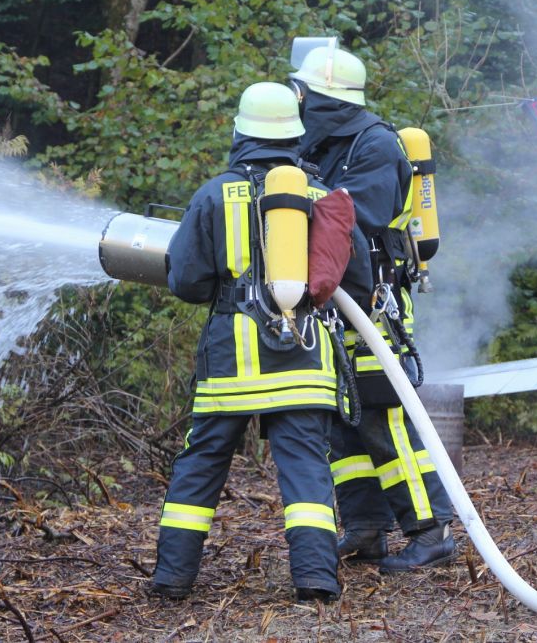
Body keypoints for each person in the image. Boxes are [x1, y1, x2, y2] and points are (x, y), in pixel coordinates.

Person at [150, 81, 371, 601]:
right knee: (307, 469)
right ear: (296, 135)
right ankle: (316, 578)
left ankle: (172, 579)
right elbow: (355, 279)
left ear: (240, 133)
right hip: (303, 359)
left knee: (201, 466)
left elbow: (186, 281)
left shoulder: (213, 195)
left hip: (232, 363)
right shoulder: (320, 195)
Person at [289, 42, 457, 573]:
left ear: (324, 98)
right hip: (330, 308)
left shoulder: (376, 146)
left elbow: (350, 221)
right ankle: (366, 529)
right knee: (344, 422)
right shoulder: (316, 145)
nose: (297, 102)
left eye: (303, 92)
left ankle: (431, 530)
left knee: (385, 419)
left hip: (373, 306)